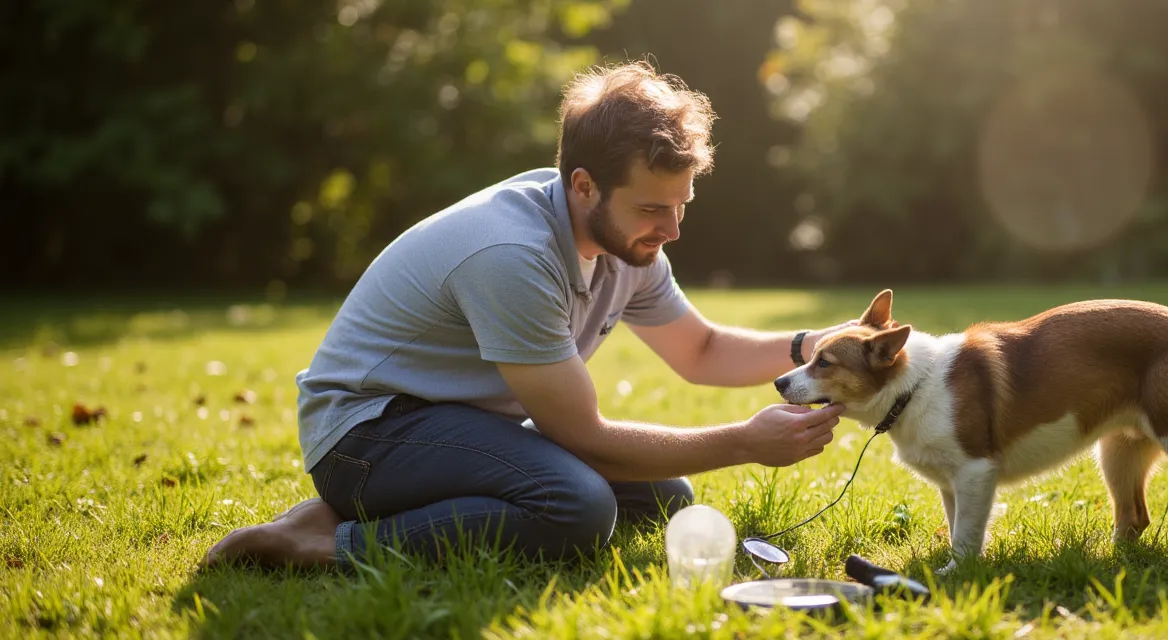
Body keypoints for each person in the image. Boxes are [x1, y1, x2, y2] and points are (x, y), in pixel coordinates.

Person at [201, 61, 850, 570]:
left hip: (453, 425)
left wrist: (809, 345)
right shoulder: (511, 253)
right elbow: (585, 436)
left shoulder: (630, 245)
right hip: (366, 436)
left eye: (681, 205)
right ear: (584, 186)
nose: (673, 229)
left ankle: (371, 517)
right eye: (654, 208)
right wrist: (742, 443)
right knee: (578, 506)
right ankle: (320, 541)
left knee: (665, 497)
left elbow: (701, 350)